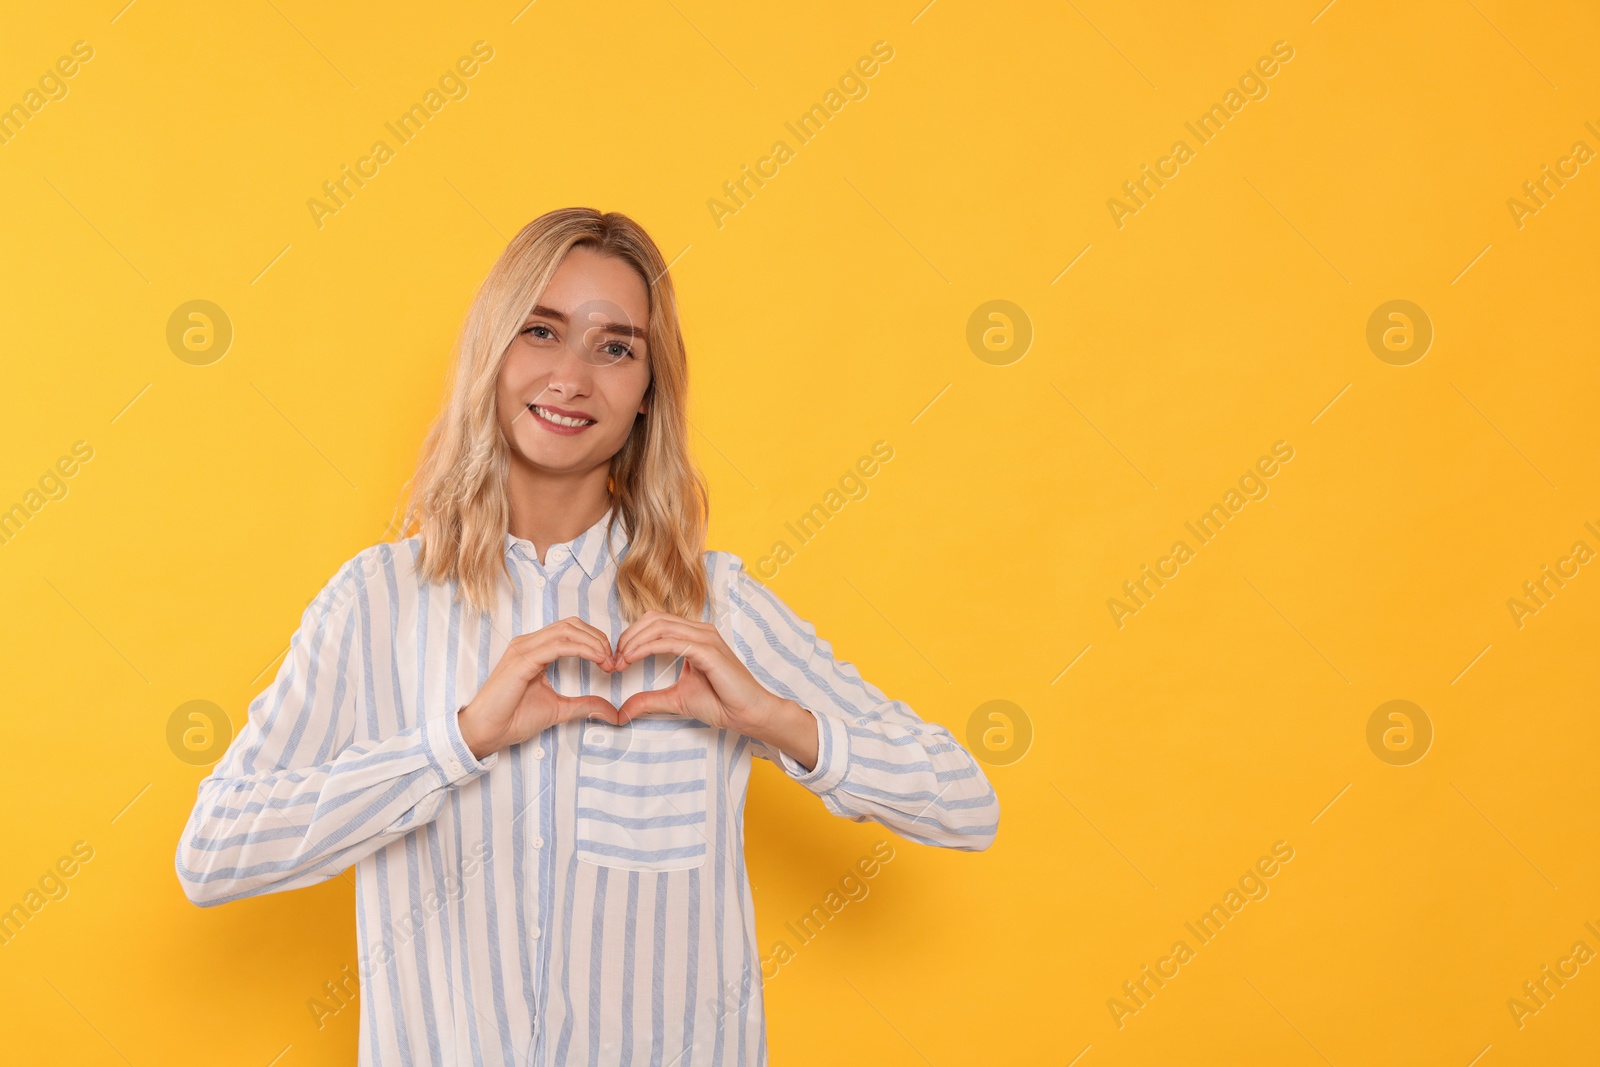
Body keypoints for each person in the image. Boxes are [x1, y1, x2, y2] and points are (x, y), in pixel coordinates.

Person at [175, 207, 1001, 1066]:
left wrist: (776, 718)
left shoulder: (714, 609)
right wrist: (457, 742)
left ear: (650, 392)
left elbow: (966, 804)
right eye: (542, 331)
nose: (572, 377)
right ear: (491, 354)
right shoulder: (376, 604)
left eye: (616, 348)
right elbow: (214, 852)